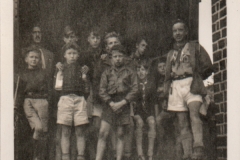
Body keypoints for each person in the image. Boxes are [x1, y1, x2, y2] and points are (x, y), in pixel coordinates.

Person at [164, 19, 214, 160]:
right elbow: (167, 76)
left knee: (194, 114)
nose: (178, 33)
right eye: (175, 31)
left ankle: (198, 149)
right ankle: (187, 154)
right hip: (176, 86)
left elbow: (208, 66)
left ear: (186, 31)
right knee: (182, 122)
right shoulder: (170, 54)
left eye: (180, 30)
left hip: (191, 84)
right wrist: (165, 94)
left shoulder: (194, 47)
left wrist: (197, 78)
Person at [95, 44, 138, 160]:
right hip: (110, 103)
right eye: (115, 56)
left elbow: (135, 89)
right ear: (111, 58)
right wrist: (110, 103)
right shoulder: (107, 72)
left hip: (124, 103)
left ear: (124, 57)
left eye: (120, 56)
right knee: (103, 132)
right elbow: (102, 90)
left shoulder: (130, 72)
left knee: (120, 133)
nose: (118, 59)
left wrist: (123, 102)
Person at [56, 42, 90, 160]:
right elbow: (57, 88)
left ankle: (80, 157)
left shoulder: (82, 69)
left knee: (80, 132)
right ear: (64, 55)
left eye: (74, 53)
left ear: (78, 55)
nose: (72, 56)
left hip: (79, 100)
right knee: (65, 131)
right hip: (65, 99)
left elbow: (87, 90)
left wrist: (85, 78)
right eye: (69, 53)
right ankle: (65, 157)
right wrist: (59, 71)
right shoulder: (61, 68)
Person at [16, 48, 52, 160]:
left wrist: (47, 101)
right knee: (38, 127)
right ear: (26, 59)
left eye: (36, 57)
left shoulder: (44, 73)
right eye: (31, 57)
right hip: (29, 101)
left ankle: (40, 156)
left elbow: (49, 89)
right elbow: (19, 92)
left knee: (44, 132)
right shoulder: (22, 74)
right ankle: (34, 156)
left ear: (40, 60)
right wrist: (15, 107)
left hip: (42, 101)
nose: (34, 59)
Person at [134, 61, 156, 160]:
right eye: (138, 70)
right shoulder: (134, 84)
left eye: (143, 70)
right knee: (139, 123)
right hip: (137, 112)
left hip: (148, 111)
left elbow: (154, 101)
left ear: (147, 71)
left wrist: (155, 115)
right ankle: (140, 154)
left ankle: (150, 154)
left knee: (152, 123)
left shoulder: (151, 84)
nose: (140, 72)